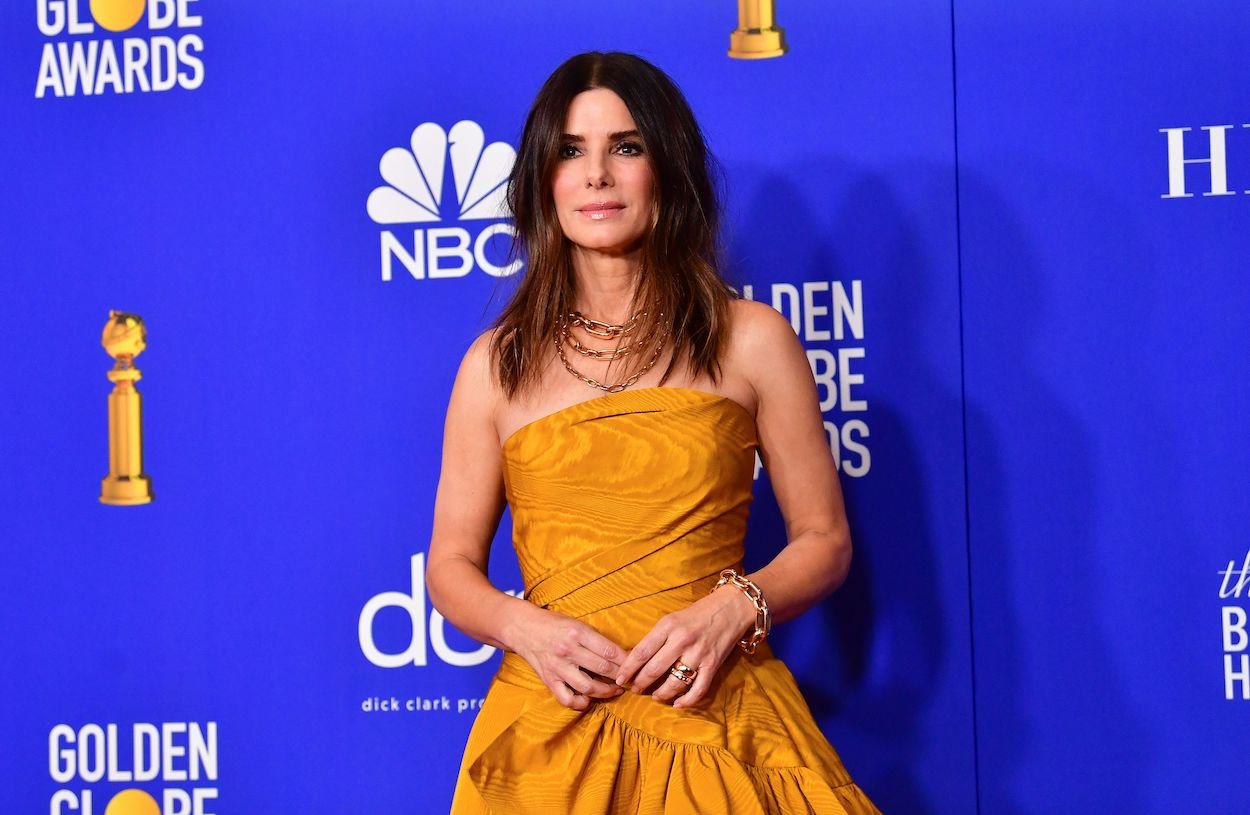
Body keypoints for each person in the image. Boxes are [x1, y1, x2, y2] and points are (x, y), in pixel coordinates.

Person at [426, 51, 880, 815]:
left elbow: (824, 540)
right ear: (543, 179)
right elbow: (450, 565)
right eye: (571, 151)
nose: (597, 174)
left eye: (625, 148)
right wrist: (523, 628)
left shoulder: (753, 340)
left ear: (667, 168)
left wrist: (736, 606)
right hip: (556, 735)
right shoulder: (494, 366)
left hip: (719, 718)